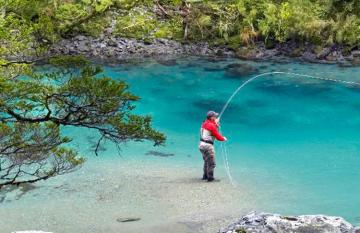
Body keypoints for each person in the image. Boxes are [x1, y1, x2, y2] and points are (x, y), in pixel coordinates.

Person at [199, 111, 227, 182]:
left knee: (206, 161)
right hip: (208, 146)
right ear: (211, 118)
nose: (216, 117)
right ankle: (210, 178)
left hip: (201, 145)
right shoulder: (211, 125)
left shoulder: (204, 123)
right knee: (212, 163)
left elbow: (210, 128)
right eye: (215, 116)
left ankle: (205, 176)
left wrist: (215, 124)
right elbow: (218, 137)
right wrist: (224, 138)